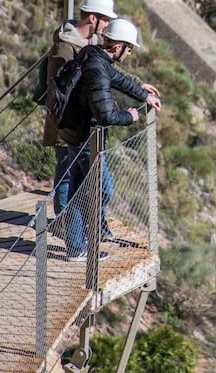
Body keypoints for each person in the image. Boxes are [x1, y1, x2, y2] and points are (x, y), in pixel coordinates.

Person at [42, 0, 158, 238]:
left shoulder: (92, 50)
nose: (107, 25)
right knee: (87, 185)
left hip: (77, 127)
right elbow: (66, 92)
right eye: (105, 19)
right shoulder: (68, 50)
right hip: (74, 126)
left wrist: (141, 92)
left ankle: (77, 233)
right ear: (93, 18)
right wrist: (130, 116)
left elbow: (111, 75)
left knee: (76, 183)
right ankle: (74, 228)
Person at [58, 18, 161, 262]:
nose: (130, 53)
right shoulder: (97, 71)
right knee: (102, 189)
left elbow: (119, 80)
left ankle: (75, 247)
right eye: (130, 48)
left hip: (74, 131)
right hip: (85, 139)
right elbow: (105, 114)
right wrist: (130, 116)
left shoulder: (93, 56)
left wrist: (144, 95)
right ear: (118, 47)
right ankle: (85, 238)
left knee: (76, 191)